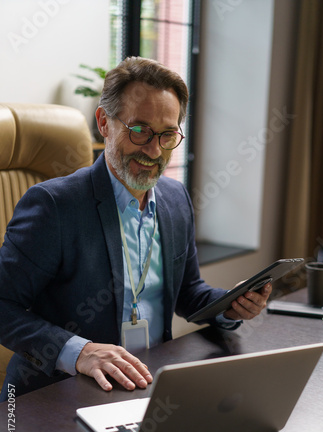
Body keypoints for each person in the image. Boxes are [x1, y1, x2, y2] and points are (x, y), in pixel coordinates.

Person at [0, 57, 271, 401]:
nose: (154, 150)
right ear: (104, 122)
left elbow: (189, 293)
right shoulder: (54, 206)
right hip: (62, 395)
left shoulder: (175, 199)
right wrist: (79, 352)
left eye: (167, 134)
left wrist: (232, 304)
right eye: (139, 130)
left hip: (149, 386)